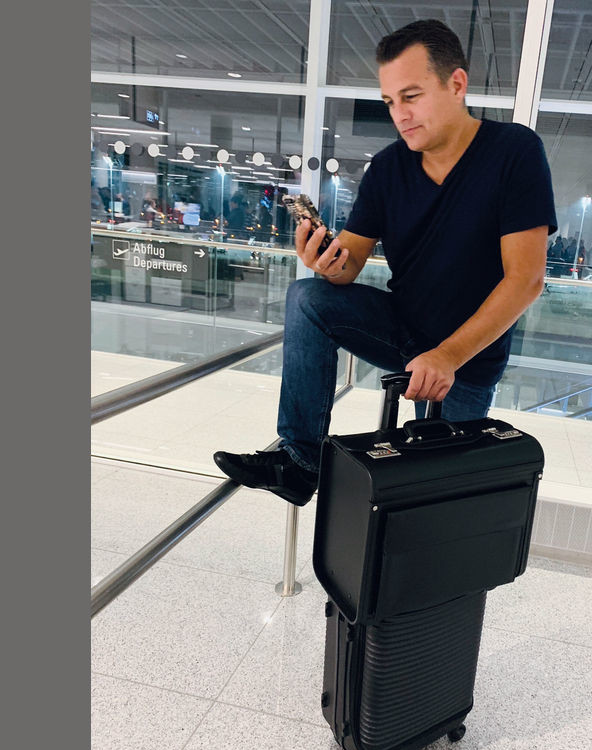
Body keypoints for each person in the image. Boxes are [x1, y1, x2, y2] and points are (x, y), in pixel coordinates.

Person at [213, 19, 557, 505]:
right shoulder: (388, 168)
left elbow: (526, 279)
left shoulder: (513, 152)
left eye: (411, 96)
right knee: (308, 296)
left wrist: (447, 356)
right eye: (391, 102)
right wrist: (323, 260)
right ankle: (300, 461)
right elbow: (349, 263)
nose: (400, 114)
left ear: (456, 84)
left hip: (468, 358)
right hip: (402, 329)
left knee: (436, 497)